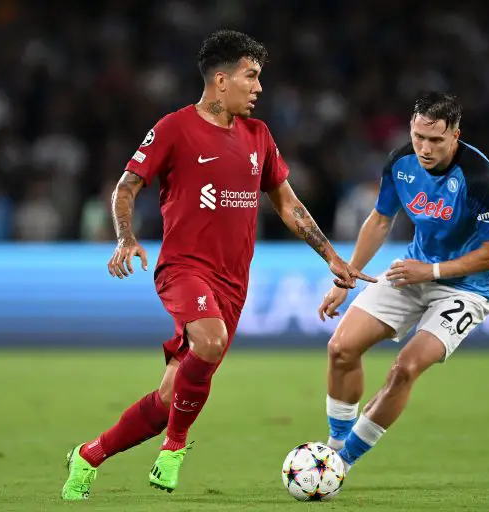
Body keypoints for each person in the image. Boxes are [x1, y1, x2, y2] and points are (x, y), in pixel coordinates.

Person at [61, 30, 374, 500]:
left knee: (170, 399)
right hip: (183, 269)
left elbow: (288, 205)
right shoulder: (173, 128)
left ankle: (89, 456)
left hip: (232, 283)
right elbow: (126, 187)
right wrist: (126, 238)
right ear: (220, 80)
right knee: (210, 341)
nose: (259, 87)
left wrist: (332, 256)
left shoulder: (259, 136)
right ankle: (175, 447)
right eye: (252, 76)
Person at [318, 92, 489, 473]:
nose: (424, 147)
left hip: (466, 288)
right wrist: (348, 275)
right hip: (413, 270)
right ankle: (332, 448)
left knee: (404, 368)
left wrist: (433, 272)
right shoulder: (401, 161)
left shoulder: (480, 178)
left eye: (436, 139)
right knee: (341, 348)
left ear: (455, 135)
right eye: (418, 135)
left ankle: (343, 463)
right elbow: (380, 219)